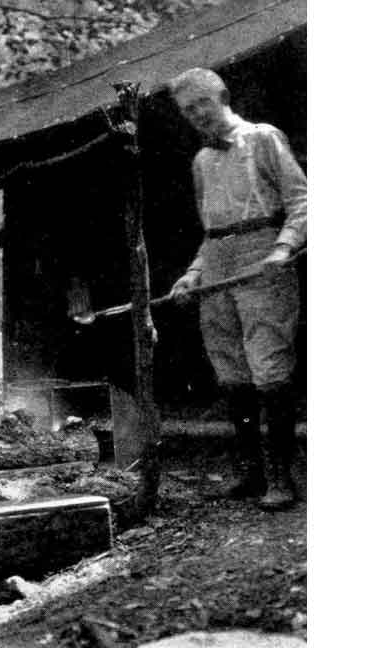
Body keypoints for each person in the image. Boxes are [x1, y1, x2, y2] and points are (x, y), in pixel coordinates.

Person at [167, 68, 306, 511]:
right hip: (218, 267)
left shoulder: (264, 139)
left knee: (269, 367)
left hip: (262, 256)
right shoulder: (202, 162)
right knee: (232, 371)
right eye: (188, 110)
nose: (197, 115)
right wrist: (192, 276)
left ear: (223, 96)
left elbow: (303, 199)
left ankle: (282, 480)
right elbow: (212, 232)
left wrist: (284, 247)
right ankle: (250, 473)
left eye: (203, 103)